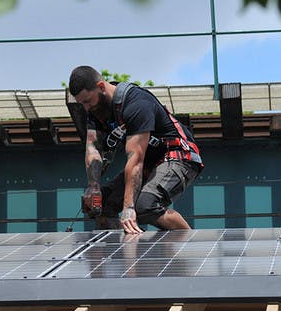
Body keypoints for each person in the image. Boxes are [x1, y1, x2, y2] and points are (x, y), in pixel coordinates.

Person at [68, 65, 203, 234]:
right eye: (82, 104)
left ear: (101, 87)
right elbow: (93, 148)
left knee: (145, 206)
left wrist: (128, 208)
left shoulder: (136, 103)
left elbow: (135, 159)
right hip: (150, 161)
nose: (86, 107)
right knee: (101, 205)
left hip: (179, 155)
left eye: (88, 101)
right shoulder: (96, 111)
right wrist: (93, 186)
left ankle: (191, 242)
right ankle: (124, 252)